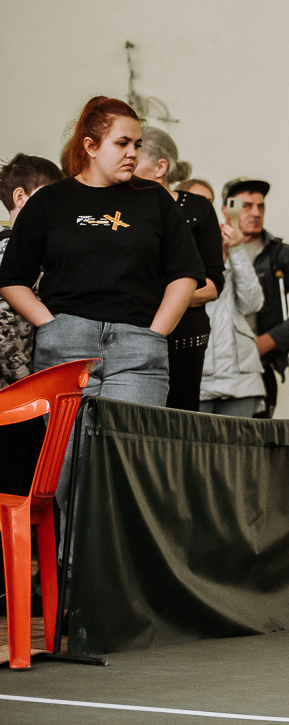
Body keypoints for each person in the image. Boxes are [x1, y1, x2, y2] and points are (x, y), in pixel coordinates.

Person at [0, 96, 203, 504]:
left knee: (128, 472)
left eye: (137, 144)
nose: (133, 153)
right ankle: (71, 566)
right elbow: (12, 279)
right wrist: (50, 325)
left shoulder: (154, 200)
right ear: (91, 147)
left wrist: (155, 333)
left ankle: (120, 569)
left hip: (138, 348)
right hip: (66, 349)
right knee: (69, 473)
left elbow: (185, 275)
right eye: (122, 143)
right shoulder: (51, 202)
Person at [134, 128, 224, 411]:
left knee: (179, 424)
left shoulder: (197, 209)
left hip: (184, 341)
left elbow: (212, 284)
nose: (126, 163)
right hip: (131, 338)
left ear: (161, 167)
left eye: (134, 157)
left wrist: (159, 295)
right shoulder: (121, 208)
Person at [221, 177, 289, 418]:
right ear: (227, 210)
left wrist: (266, 342)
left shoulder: (282, 255)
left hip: (257, 368)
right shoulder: (210, 247)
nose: (256, 212)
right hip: (212, 367)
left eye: (261, 206)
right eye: (247, 206)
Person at [0, 154, 62, 498]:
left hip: (16, 393)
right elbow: (5, 328)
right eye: (49, 197)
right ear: (21, 197)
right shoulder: (13, 248)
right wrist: (29, 383)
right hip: (15, 396)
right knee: (15, 489)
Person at [199, 196, 266, 417]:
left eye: (208, 201)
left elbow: (252, 304)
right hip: (199, 378)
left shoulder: (231, 248)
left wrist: (236, 251)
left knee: (240, 450)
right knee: (196, 450)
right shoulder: (176, 251)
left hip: (241, 378)